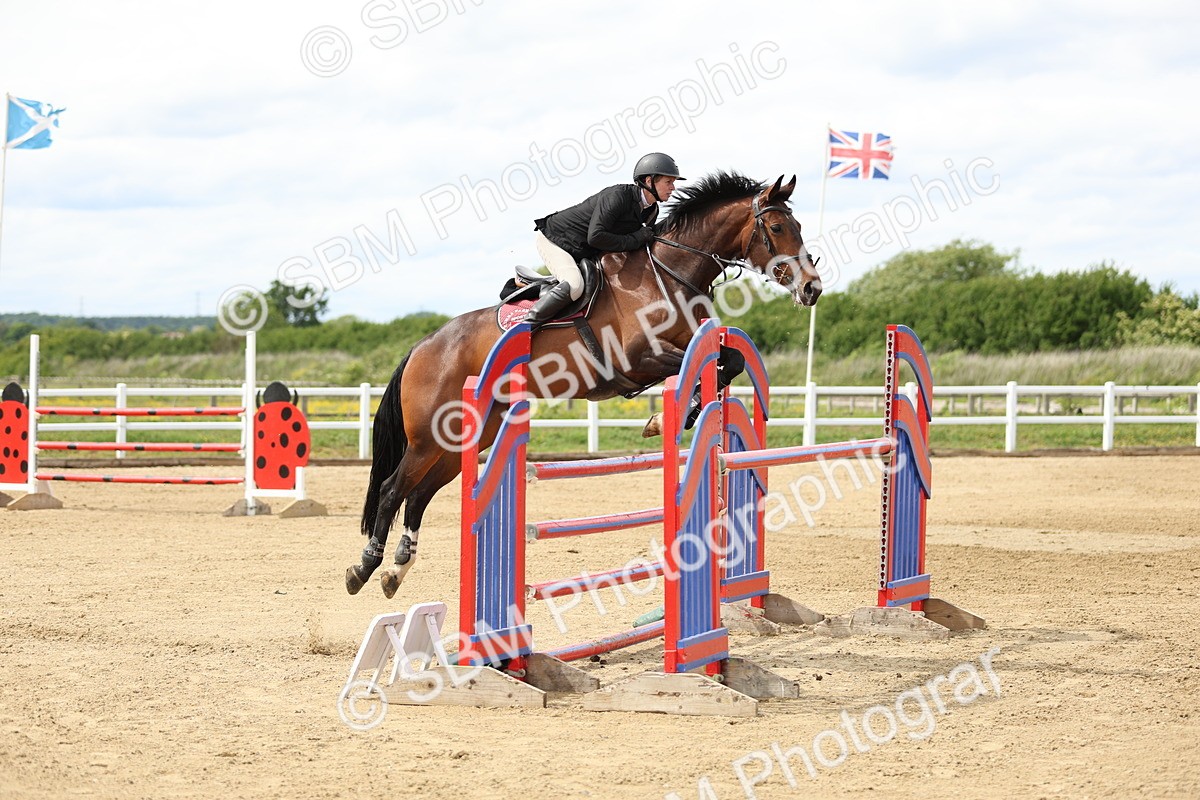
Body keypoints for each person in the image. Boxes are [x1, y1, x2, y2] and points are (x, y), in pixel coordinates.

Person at [525, 152, 684, 327]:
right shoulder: (618, 196)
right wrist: (636, 238)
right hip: (556, 240)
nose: (673, 188)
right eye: (668, 182)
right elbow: (596, 237)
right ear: (649, 181)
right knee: (574, 285)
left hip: (584, 250)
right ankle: (525, 327)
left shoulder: (652, 210)